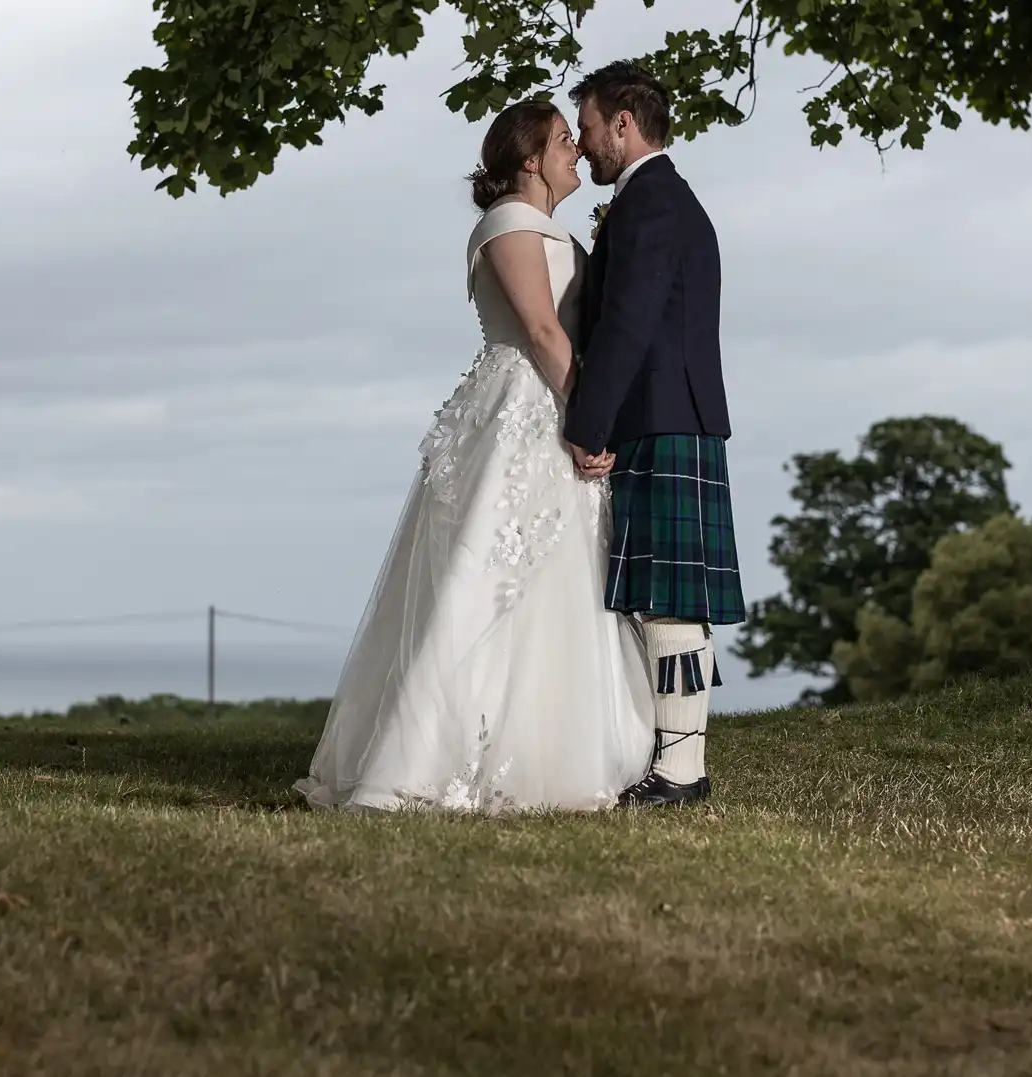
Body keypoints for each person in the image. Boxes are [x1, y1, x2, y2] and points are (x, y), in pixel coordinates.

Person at [297, 101, 653, 812]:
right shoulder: (510, 224)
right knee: (484, 578)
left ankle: (547, 743)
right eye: (562, 141)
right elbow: (545, 333)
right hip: (522, 410)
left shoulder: (546, 227)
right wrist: (591, 422)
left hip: (548, 407)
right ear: (529, 159)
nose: (575, 152)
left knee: (554, 577)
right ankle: (435, 754)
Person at [564, 60, 745, 809]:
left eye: (588, 129)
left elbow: (627, 324)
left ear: (622, 123)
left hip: (659, 414)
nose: (584, 147)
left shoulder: (651, 205)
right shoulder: (660, 201)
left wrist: (588, 422)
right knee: (671, 600)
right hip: (673, 412)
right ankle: (678, 764)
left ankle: (678, 773)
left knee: (671, 602)